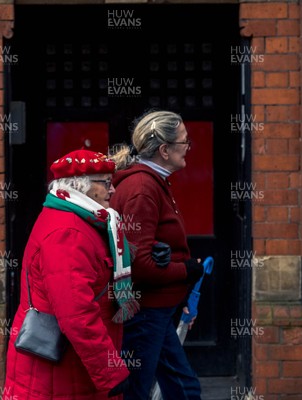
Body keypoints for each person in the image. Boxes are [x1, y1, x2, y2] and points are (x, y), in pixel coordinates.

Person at [3, 149, 140, 400]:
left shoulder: (80, 220)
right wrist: (110, 372)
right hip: (60, 373)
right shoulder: (68, 232)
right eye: (107, 183)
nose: (113, 190)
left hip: (70, 368)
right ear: (81, 186)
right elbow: (76, 314)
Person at [110, 110, 203, 400]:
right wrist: (188, 270)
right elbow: (139, 266)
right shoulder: (142, 188)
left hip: (155, 311)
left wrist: (183, 289)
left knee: (184, 389)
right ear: (164, 150)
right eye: (184, 142)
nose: (189, 148)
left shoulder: (152, 182)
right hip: (145, 313)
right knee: (140, 392)